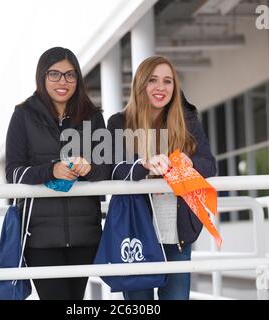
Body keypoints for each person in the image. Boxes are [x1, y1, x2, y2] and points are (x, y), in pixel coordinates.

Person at [107, 55, 217, 300]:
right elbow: (112, 169)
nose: (161, 87)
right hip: (136, 229)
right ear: (140, 85)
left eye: (168, 81)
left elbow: (210, 164)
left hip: (177, 232)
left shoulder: (187, 119)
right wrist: (143, 166)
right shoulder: (119, 122)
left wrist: (191, 163)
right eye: (153, 80)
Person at [5, 47, 109, 300]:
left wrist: (90, 167)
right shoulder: (23, 116)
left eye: (70, 75)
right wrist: (51, 170)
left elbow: (106, 169)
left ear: (78, 79)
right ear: (42, 76)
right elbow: (14, 172)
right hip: (40, 238)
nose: (63, 82)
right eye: (54, 74)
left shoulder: (93, 117)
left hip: (85, 234)